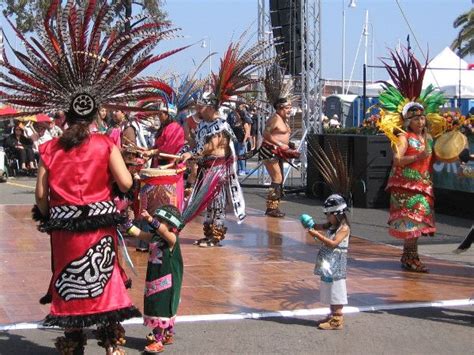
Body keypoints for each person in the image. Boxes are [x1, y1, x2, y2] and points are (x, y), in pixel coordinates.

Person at [0, 1, 188, 352]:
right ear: (94, 112)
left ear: (67, 114)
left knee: (67, 280)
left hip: (63, 227)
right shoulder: (104, 143)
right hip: (100, 224)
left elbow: (41, 195)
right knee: (106, 281)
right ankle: (112, 341)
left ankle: (72, 342)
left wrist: (52, 210)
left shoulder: (51, 147)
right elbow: (128, 184)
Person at [378, 48, 446, 273]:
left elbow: (436, 158)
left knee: (418, 222)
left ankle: (409, 256)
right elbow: (397, 160)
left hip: (423, 184)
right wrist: (417, 156)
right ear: (408, 121)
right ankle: (410, 257)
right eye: (416, 117)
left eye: (422, 116)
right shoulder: (403, 137)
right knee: (411, 222)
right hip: (406, 185)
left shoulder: (428, 137)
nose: (420, 120)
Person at [181, 92, 246, 247]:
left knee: (217, 201)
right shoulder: (204, 124)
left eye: (201, 107)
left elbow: (210, 146)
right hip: (207, 168)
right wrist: (186, 148)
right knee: (209, 203)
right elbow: (196, 144)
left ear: (210, 107)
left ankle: (215, 236)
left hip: (218, 168)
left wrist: (192, 153)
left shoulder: (220, 124)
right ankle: (209, 234)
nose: (198, 110)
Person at [125, 205, 184, 354]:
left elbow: (163, 231)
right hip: (154, 276)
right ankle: (168, 334)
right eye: (157, 219)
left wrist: (151, 220)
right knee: (157, 304)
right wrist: (125, 223)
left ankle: (158, 340)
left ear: (171, 225)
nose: (157, 223)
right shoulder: (155, 237)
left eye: (161, 220)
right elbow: (139, 234)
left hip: (167, 280)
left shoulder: (172, 238)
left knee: (161, 307)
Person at [300, 194, 350, 330]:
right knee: (329, 288)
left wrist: (317, 236)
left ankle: (337, 318)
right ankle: (332, 314)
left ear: (338, 214)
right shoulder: (332, 225)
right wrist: (309, 224)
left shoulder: (344, 228)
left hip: (337, 263)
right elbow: (317, 226)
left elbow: (334, 243)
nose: (327, 217)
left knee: (337, 288)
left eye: (329, 214)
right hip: (329, 262)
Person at [259, 63, 299, 218]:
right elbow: (266, 134)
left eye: (290, 107)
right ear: (280, 108)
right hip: (269, 150)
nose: (290, 110)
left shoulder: (284, 120)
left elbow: (281, 135)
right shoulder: (274, 119)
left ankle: (274, 206)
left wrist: (288, 145)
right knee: (277, 178)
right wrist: (279, 144)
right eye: (287, 108)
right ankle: (271, 208)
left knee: (279, 178)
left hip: (279, 151)